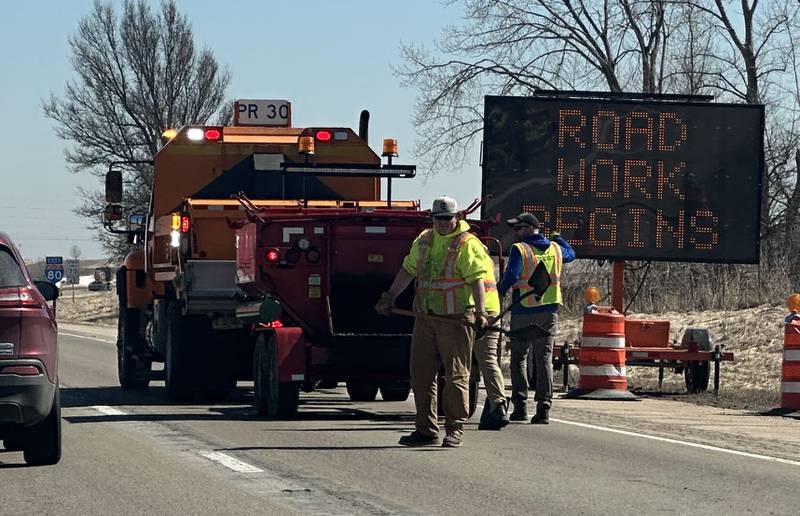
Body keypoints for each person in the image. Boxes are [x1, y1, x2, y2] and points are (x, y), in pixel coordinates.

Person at [375, 196, 492, 448]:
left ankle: (455, 428)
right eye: (438, 218)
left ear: (457, 217)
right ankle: (426, 429)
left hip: (456, 319)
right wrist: (390, 296)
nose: (443, 223)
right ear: (433, 218)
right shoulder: (424, 240)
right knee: (421, 375)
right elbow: (408, 270)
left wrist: (481, 313)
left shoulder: (466, 244)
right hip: (425, 318)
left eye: (447, 218)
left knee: (456, 375)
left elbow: (477, 281)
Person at [497, 213, 575, 424]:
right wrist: (559, 238)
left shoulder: (519, 250)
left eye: (519, 228)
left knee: (518, 358)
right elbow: (571, 253)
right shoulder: (556, 249)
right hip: (548, 313)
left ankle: (520, 406)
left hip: (523, 310)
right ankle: (544, 407)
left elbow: (512, 276)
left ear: (531, 228)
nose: (516, 233)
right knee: (544, 358)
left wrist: (498, 292)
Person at [471, 251, 510, 430]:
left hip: (470, 312)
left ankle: (457, 411)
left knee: (458, 361)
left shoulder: (463, 252)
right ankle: (498, 404)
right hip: (492, 310)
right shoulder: (484, 256)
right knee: (487, 359)